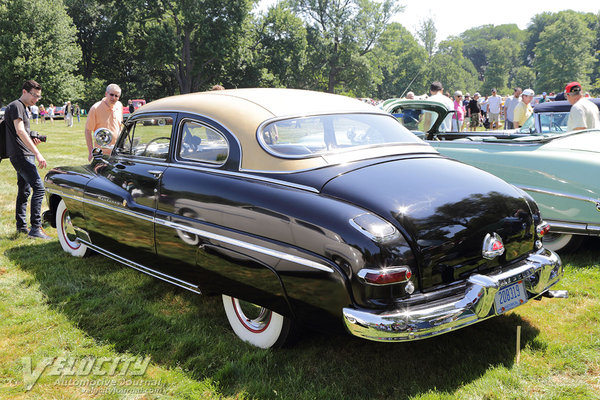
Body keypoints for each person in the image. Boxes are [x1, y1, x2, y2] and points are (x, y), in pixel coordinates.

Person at [4, 80, 50, 239]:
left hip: (21, 153)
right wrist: (37, 153)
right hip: (21, 155)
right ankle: (36, 228)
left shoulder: (21, 107)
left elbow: (22, 133)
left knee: (24, 190)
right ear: (24, 91)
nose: (36, 99)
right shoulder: (17, 106)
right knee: (39, 188)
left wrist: (33, 141)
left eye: (38, 97)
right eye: (34, 95)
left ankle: (21, 226)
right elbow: (20, 131)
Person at [85, 84, 123, 161]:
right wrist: (91, 152)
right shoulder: (95, 108)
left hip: (118, 152)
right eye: (111, 95)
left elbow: (120, 126)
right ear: (106, 94)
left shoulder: (119, 105)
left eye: (116, 96)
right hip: (102, 154)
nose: (114, 98)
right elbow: (88, 131)